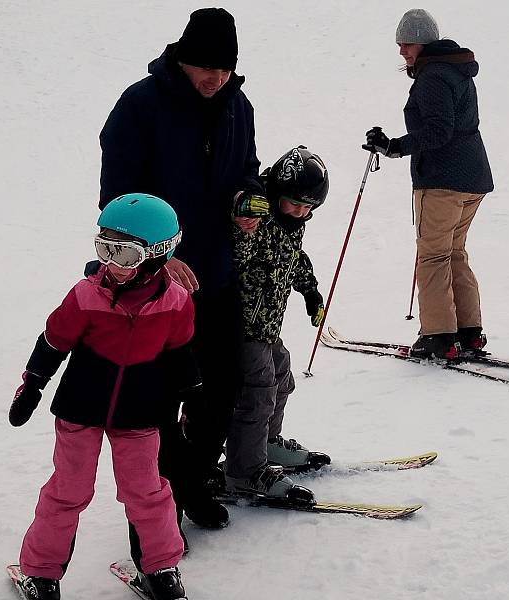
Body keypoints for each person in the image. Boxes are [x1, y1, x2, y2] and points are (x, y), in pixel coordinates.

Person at [98, 7, 263, 532]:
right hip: (150, 285)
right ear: (183, 58)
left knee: (224, 385)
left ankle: (191, 483)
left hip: (215, 274)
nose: (216, 78)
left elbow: (248, 172)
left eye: (225, 69)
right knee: (160, 398)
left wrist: (247, 199)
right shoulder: (140, 105)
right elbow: (118, 202)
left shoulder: (238, 105)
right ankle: (155, 506)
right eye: (206, 68)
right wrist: (160, 258)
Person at [8, 194, 194, 600]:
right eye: (104, 248)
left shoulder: (176, 302)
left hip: (140, 414)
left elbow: (180, 354)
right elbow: (53, 341)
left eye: (123, 254)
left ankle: (161, 570)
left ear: (157, 253)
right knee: (69, 490)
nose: (112, 263)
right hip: (80, 409)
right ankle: (41, 573)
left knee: (147, 492)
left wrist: (192, 398)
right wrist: (33, 384)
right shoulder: (86, 295)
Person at [363, 9, 494, 360]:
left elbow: (439, 130)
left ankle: (438, 336)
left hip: (443, 181)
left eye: (406, 44)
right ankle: (468, 332)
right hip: (473, 178)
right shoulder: (457, 70)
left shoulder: (434, 77)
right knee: (454, 253)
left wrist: (394, 146)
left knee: (434, 256)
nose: (402, 52)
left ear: (422, 43)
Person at [224, 146, 331, 499]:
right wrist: (243, 229)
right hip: (241, 326)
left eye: (308, 208)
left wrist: (311, 291)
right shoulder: (257, 217)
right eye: (295, 203)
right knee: (258, 393)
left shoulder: (290, 224)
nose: (300, 213)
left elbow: (293, 260)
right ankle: (244, 470)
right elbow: (236, 261)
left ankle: (265, 445)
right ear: (276, 193)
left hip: (266, 326)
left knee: (281, 377)